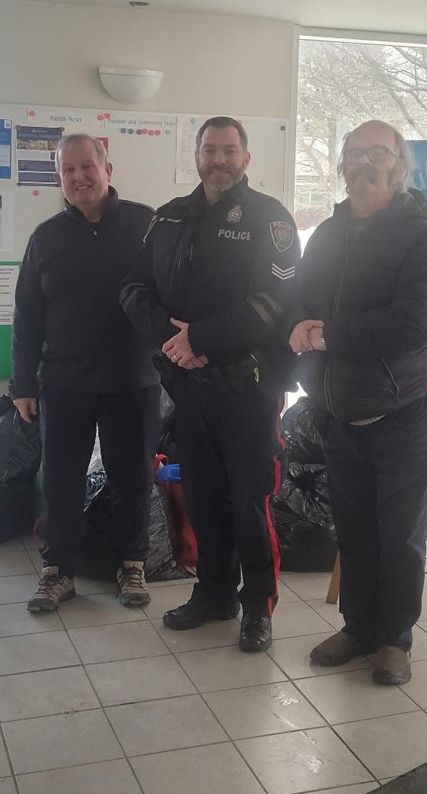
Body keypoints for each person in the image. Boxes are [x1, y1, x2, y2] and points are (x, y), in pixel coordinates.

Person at [120, 116, 300, 652]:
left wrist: (199, 337)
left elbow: (275, 302)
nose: (219, 160)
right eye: (209, 150)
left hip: (250, 389)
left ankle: (258, 606)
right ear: (196, 156)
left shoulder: (271, 218)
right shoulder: (169, 217)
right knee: (201, 497)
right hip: (189, 387)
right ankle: (215, 594)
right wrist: (172, 339)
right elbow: (132, 288)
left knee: (250, 501)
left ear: (246, 157)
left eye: (229, 150)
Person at [288, 120, 427, 684]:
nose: (364, 163)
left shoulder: (421, 237)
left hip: (404, 411)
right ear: (343, 164)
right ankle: (358, 627)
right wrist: (298, 327)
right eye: (355, 154)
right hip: (340, 412)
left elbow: (415, 323)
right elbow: (301, 299)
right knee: (354, 530)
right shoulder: (328, 234)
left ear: (399, 165)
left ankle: (394, 640)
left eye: (377, 154)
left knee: (400, 535)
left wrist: (329, 336)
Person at [10, 133, 160, 612]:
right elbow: (26, 318)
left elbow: (171, 294)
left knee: (133, 479)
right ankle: (58, 571)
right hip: (64, 383)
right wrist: (22, 384)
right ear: (59, 178)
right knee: (61, 482)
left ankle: (132, 564)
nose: (78, 177)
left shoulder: (146, 225)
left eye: (86, 166)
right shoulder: (46, 237)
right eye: (68, 170)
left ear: (107, 170)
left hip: (132, 380)